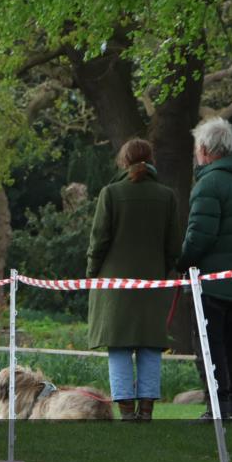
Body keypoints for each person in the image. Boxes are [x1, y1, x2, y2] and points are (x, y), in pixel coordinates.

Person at [176, 117, 232, 422]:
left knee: (208, 344)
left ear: (203, 148)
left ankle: (217, 406)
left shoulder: (209, 183)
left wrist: (182, 261)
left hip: (211, 280)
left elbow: (199, 233)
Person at [86, 139, 181, 421]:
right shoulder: (167, 196)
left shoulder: (111, 193)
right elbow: (173, 245)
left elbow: (98, 240)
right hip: (152, 285)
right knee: (150, 345)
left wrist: (92, 273)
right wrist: (162, 273)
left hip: (114, 287)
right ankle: (147, 412)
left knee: (119, 347)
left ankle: (127, 413)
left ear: (123, 161)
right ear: (150, 160)